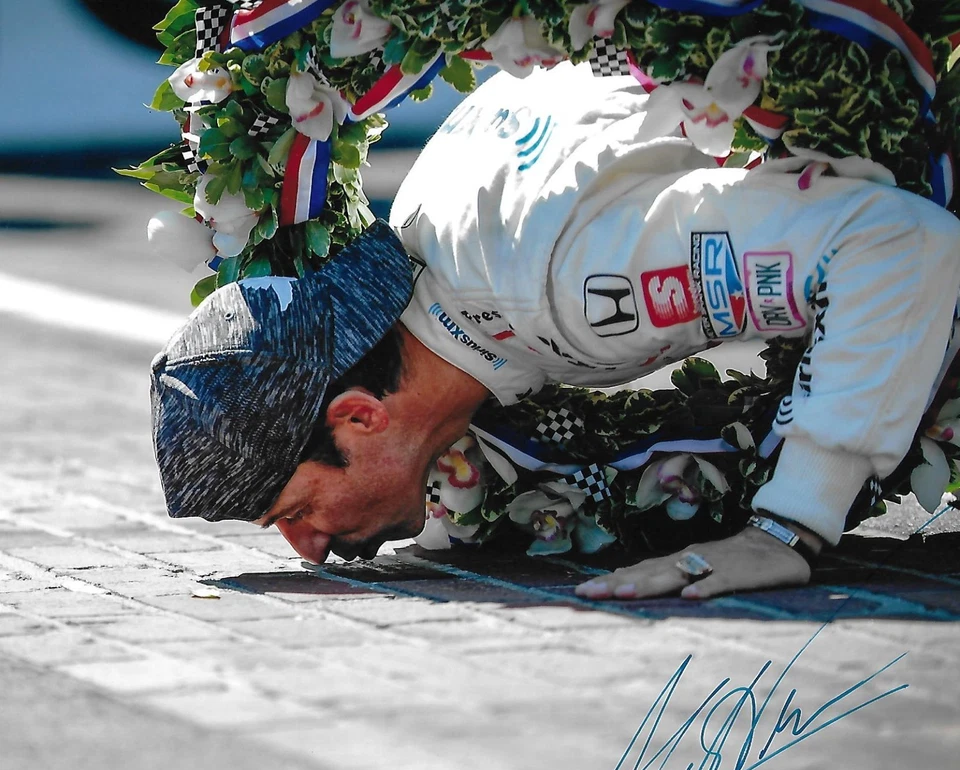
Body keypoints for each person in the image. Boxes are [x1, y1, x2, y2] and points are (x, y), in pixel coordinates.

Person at [151, 61, 960, 601]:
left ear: (358, 415)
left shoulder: (568, 297)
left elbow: (896, 245)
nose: (307, 548)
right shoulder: (434, 213)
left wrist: (791, 523)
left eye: (292, 508)